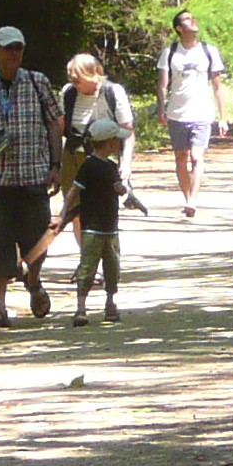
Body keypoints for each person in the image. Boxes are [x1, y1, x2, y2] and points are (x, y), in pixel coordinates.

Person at [0, 25, 65, 327]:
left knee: (37, 241)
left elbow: (54, 124)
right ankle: (0, 306)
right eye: (6, 48)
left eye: (17, 48)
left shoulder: (38, 82)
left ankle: (33, 280)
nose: (12, 54)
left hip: (33, 177)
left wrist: (56, 164)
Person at [48, 51, 135, 324]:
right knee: (76, 211)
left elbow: (127, 130)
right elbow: (61, 127)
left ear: (92, 74)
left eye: (78, 78)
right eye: (71, 78)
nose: (74, 82)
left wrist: (126, 164)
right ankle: (86, 256)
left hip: (101, 157)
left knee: (99, 209)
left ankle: (98, 269)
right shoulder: (69, 93)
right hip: (73, 156)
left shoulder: (113, 93)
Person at [158, 9, 229, 218]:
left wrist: (223, 117)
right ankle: (186, 194)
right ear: (179, 28)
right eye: (188, 20)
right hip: (177, 114)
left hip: (202, 113)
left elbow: (217, 87)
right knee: (181, 157)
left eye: (193, 18)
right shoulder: (170, 53)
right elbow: (162, 85)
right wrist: (161, 108)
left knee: (197, 157)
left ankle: (192, 201)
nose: (193, 22)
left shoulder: (209, 51)